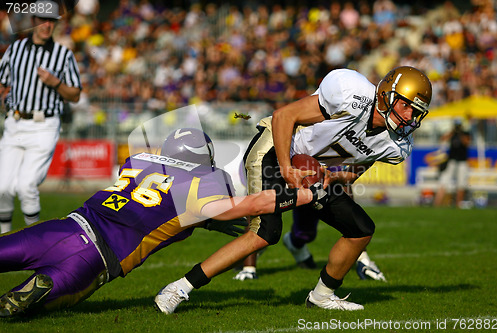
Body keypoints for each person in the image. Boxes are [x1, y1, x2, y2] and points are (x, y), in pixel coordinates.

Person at [155, 66, 432, 313]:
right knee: (265, 232)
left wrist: (334, 176)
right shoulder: (352, 93)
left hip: (312, 171)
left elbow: (358, 168)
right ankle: (178, 288)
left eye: (416, 112)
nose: (409, 117)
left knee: (360, 228)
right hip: (276, 150)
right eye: (406, 106)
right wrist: (287, 167)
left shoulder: (397, 146)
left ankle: (322, 296)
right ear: (386, 95)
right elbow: (283, 116)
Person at [0, 127, 327, 317]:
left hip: (69, 225)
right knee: (50, 300)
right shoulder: (199, 187)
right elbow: (254, 203)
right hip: (100, 256)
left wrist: (202, 220)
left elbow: (146, 202)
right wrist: (306, 196)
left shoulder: (138, 160)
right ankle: (46, 286)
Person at [0, 0, 82, 234]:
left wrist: (55, 82)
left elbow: (75, 94)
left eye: (51, 21)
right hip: (15, 123)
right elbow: (2, 82)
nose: (46, 25)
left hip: (44, 125)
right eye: (42, 19)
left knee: (26, 186)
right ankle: (5, 241)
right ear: (32, 20)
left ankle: (34, 244)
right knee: (3, 187)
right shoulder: (15, 50)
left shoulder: (63, 55)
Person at [234, 183, 387, 282]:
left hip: (306, 168)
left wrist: (361, 253)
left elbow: (344, 183)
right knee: (263, 217)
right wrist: (249, 269)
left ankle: (295, 243)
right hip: (279, 164)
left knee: (305, 234)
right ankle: (249, 267)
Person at [433, 119, 471, 207]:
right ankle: (437, 204)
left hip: (462, 161)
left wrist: (460, 133)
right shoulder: (452, 134)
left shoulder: (465, 133)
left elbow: (467, 143)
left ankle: (458, 205)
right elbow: (443, 139)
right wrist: (453, 132)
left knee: (461, 184)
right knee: (444, 182)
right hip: (452, 161)